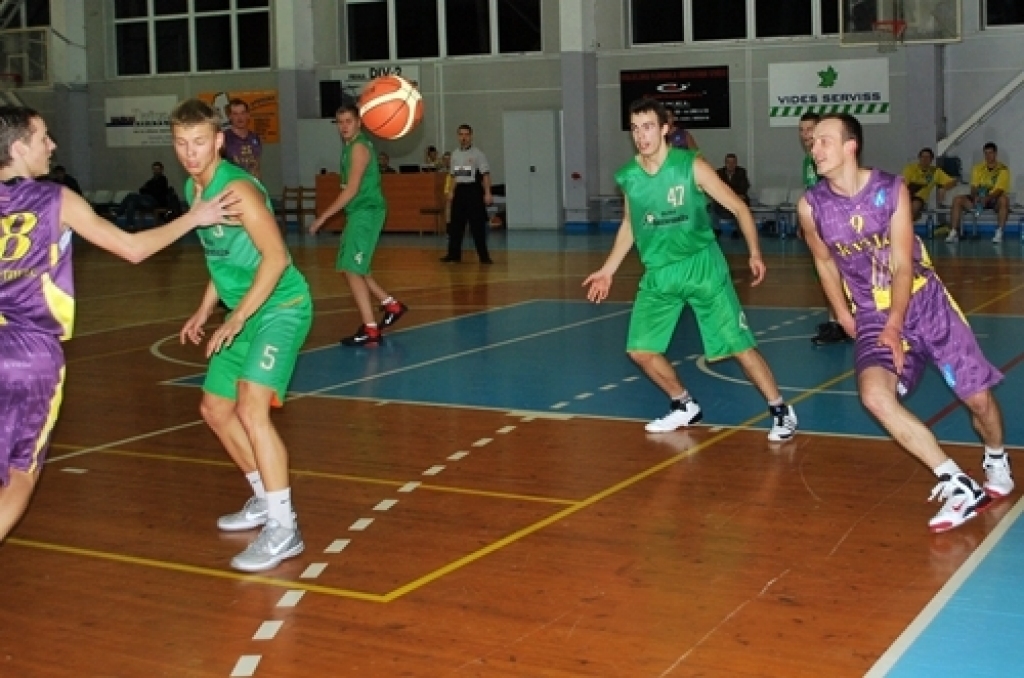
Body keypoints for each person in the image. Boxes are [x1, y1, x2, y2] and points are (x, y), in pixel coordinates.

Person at [0, 105, 236, 543]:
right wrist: (194, 218)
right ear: (18, 148)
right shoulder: (55, 198)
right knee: (18, 474)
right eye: (42, 137)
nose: (51, 145)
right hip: (29, 352)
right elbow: (131, 249)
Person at [797, 113, 1012, 533]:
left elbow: (900, 264)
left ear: (850, 146)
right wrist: (844, 316)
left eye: (823, 140)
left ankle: (996, 456)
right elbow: (824, 264)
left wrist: (896, 325)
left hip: (923, 301)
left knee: (980, 402)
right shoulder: (811, 206)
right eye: (811, 142)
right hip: (871, 314)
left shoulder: (890, 189)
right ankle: (957, 483)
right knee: (875, 396)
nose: (814, 147)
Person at [583, 97, 798, 442]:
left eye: (648, 127)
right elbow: (629, 225)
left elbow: (739, 207)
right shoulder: (629, 177)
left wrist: (755, 252)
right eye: (635, 129)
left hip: (703, 267)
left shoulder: (691, 166)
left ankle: (780, 411)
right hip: (659, 273)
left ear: (665, 128)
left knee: (739, 346)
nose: (641, 136)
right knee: (641, 350)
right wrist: (608, 269)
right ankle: (684, 404)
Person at [172, 98, 314, 572]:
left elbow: (275, 258)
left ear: (217, 141)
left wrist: (234, 320)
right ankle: (262, 497)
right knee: (215, 409)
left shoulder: (238, 192)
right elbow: (224, 259)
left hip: (280, 308)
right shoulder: (195, 190)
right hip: (243, 310)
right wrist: (205, 308)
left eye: (199, 143)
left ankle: (284, 529)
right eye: (181, 144)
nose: (190, 153)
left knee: (252, 409)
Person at [308, 103, 408, 347]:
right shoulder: (351, 147)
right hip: (359, 213)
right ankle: (391, 305)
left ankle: (371, 329)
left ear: (359, 123)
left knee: (352, 269)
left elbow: (351, 190)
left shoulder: (359, 148)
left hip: (367, 212)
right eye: (339, 122)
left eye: (348, 121)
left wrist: (323, 218)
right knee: (353, 267)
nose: (343, 126)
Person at [799, 111, 851, 346]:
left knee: (839, 274)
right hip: (819, 226)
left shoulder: (829, 160)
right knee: (825, 275)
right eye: (801, 131)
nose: (805, 135)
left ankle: (842, 321)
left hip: (835, 226)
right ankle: (835, 320)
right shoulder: (807, 162)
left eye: (810, 129)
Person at [441, 124, 493, 264]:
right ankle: (453, 254)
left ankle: (483, 256)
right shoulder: (455, 154)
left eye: (466, 134)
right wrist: (451, 191)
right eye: (461, 134)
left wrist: (488, 193)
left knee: (477, 225)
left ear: (471, 136)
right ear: (458, 136)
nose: (464, 137)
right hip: (460, 191)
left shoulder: (478, 154)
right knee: (456, 224)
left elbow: (485, 174)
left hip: (474, 191)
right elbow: (455, 175)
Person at [946, 142, 1011, 244]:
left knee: (1004, 200)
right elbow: (974, 186)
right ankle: (954, 232)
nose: (988, 156)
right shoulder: (977, 168)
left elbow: (999, 189)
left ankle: (999, 233)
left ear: (995, 154)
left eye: (990, 153)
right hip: (979, 198)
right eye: (986, 153)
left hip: (994, 199)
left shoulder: (1003, 169)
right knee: (957, 199)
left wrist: (987, 198)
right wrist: (975, 196)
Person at [116, 161, 182, 232]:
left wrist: (148, 189)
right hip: (146, 199)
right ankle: (130, 225)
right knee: (131, 202)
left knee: (131, 196)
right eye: (154, 169)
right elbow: (141, 190)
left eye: (157, 169)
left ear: (161, 170)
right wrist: (149, 190)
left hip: (155, 201)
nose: (156, 171)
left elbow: (156, 192)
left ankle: (119, 212)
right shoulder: (152, 180)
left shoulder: (163, 180)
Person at [903, 147, 956, 222]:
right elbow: (904, 185)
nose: (925, 159)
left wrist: (943, 188)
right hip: (906, 195)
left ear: (931, 160)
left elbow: (953, 182)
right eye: (923, 157)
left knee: (914, 206)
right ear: (919, 158)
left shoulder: (935, 172)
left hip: (919, 199)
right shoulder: (910, 168)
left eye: (927, 157)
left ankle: (906, 228)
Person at [221, 98, 262, 179]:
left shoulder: (255, 137)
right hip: (233, 185)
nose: (240, 117)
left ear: (248, 115)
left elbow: (257, 164)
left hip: (254, 186)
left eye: (243, 113)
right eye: (235, 114)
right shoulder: (223, 138)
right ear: (230, 117)